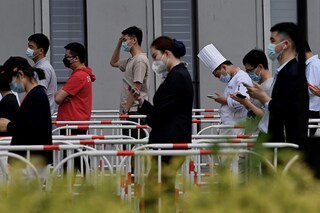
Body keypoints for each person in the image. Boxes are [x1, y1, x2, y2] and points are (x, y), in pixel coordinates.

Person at [131, 36, 193, 210]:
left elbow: (162, 112)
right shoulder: (177, 75)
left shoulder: (177, 77)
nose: (155, 61)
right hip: (169, 141)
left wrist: (148, 115)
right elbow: (163, 109)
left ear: (166, 53)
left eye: (155, 56)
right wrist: (143, 104)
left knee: (156, 188)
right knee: (161, 187)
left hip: (170, 143)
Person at [244, 22, 309, 145]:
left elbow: (289, 111)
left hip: (281, 143)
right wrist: (262, 94)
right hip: (270, 137)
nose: (271, 46)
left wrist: (264, 98)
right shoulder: (283, 71)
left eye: (273, 41)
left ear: (285, 44)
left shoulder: (293, 73)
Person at [0, 57, 52, 182]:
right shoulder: (36, 95)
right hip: (29, 162)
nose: (11, 86)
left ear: (20, 74)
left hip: (29, 164)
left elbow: (33, 129)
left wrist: (8, 126)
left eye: (11, 80)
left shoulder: (35, 96)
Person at [55, 42, 95, 175]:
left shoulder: (78, 76)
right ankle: (85, 189)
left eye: (67, 56)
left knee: (71, 161)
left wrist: (63, 95)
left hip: (71, 124)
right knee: (78, 160)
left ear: (76, 58)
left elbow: (58, 98)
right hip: (76, 123)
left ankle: (70, 192)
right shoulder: (83, 75)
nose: (65, 59)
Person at [198, 44, 253, 135]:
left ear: (223, 67)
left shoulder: (241, 78)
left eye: (218, 75)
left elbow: (243, 100)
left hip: (236, 127)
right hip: (230, 126)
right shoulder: (233, 79)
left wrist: (225, 100)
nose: (219, 78)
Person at [110, 26, 149, 139]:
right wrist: (119, 42)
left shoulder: (140, 60)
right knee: (130, 146)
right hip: (129, 112)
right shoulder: (131, 60)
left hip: (134, 111)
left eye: (125, 40)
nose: (124, 43)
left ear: (134, 40)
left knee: (135, 147)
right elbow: (113, 62)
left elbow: (136, 86)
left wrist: (126, 109)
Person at [231, 49, 274, 134]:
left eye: (250, 70)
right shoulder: (258, 84)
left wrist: (247, 103)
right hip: (252, 132)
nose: (248, 74)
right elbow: (254, 108)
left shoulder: (270, 86)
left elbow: (266, 115)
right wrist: (244, 101)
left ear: (260, 67)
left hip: (260, 134)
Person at [26, 33, 57, 115]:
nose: (28, 49)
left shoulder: (43, 68)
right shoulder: (39, 67)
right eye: (28, 46)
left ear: (41, 51)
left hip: (39, 116)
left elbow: (39, 94)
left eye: (31, 47)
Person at [304, 42, 320, 136]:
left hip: (311, 110)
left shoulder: (312, 66)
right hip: (312, 110)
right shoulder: (315, 64)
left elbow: (311, 90)